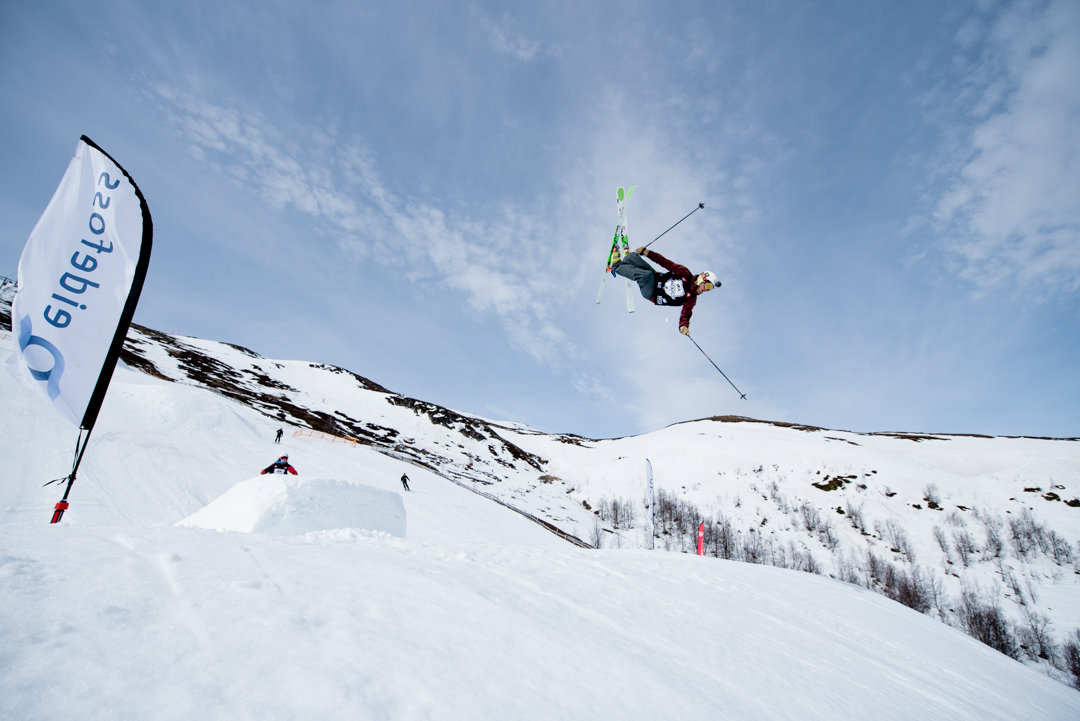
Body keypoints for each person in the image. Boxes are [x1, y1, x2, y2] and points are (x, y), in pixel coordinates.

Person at [611, 247, 718, 334]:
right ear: (702, 278)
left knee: (646, 276)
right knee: (631, 257)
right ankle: (627, 262)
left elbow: (686, 315)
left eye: (709, 289)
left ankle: (615, 266)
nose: (705, 290)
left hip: (653, 293)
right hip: (655, 277)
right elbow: (666, 263)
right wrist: (647, 253)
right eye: (707, 286)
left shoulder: (691, 299)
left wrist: (683, 326)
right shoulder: (685, 273)